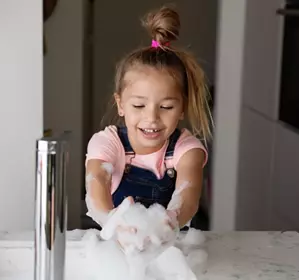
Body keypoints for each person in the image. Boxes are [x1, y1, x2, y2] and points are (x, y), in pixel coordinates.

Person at [85, 6, 214, 233]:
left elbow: (188, 198)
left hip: (171, 251)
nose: (152, 118)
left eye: (166, 107)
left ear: (182, 108)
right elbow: (97, 183)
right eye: (138, 105)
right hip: (118, 247)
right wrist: (114, 226)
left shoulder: (187, 150)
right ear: (121, 104)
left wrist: (166, 226)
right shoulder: (107, 143)